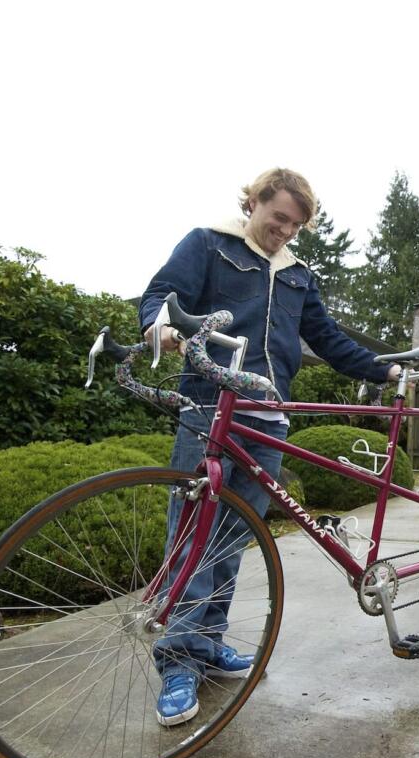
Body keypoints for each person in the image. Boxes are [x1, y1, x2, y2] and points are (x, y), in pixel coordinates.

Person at [138, 168, 400, 726]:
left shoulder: (298, 274)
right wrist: (158, 327)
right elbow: (163, 294)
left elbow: (325, 338)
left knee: (234, 537)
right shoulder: (209, 243)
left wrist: (385, 369)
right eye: (278, 217)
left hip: (269, 421)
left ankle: (207, 643)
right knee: (192, 535)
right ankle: (178, 659)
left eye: (296, 225)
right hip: (209, 408)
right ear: (254, 201)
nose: (285, 231)